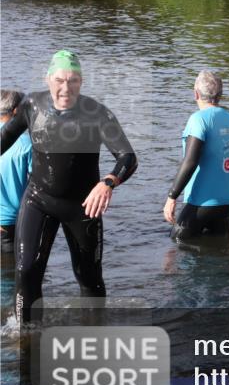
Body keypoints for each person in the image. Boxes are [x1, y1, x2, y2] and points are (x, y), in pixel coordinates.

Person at [0, 51, 138, 323]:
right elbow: (4, 137)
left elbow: (128, 157)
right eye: (60, 80)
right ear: (48, 79)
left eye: (73, 80)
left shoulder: (96, 113)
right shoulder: (31, 105)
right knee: (26, 270)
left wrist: (108, 182)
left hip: (83, 206)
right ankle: (25, 335)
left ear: (82, 82)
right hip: (38, 200)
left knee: (88, 277)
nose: (66, 88)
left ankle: (93, 333)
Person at [163, 70, 229, 240]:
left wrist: (172, 196)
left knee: (176, 244)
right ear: (220, 95)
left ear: (196, 93)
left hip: (199, 203)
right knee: (221, 253)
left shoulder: (198, 120)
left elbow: (190, 161)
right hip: (226, 204)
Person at [1, 90, 31, 255]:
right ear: (16, 112)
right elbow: (41, 184)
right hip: (11, 224)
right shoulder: (26, 144)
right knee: (11, 276)